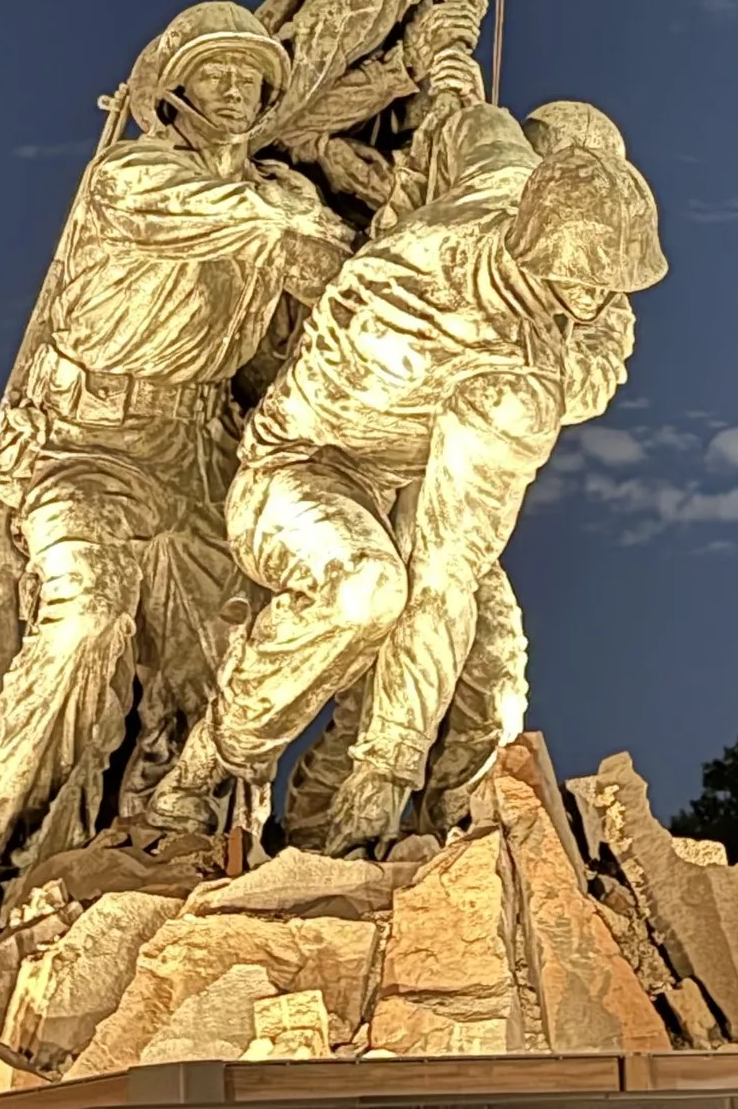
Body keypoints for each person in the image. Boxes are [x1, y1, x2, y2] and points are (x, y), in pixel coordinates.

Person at [144, 84, 665, 855]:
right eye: (583, 283)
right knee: (368, 592)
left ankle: (398, 838)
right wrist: (384, 776)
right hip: (301, 471)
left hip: (415, 471)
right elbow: (437, 580)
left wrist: (406, 212)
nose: (595, 301)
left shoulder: (501, 177)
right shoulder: (500, 373)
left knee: (493, 683)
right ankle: (203, 772)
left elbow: (467, 130)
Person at [0, 0, 352, 881]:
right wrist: (305, 220)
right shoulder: (132, 179)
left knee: (220, 665)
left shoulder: (275, 196)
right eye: (217, 72)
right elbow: (240, 221)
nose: (239, 89)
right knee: (85, 615)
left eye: (252, 75)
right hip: (88, 443)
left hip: (202, 448)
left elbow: (336, 289)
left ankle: (180, 839)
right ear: (176, 88)